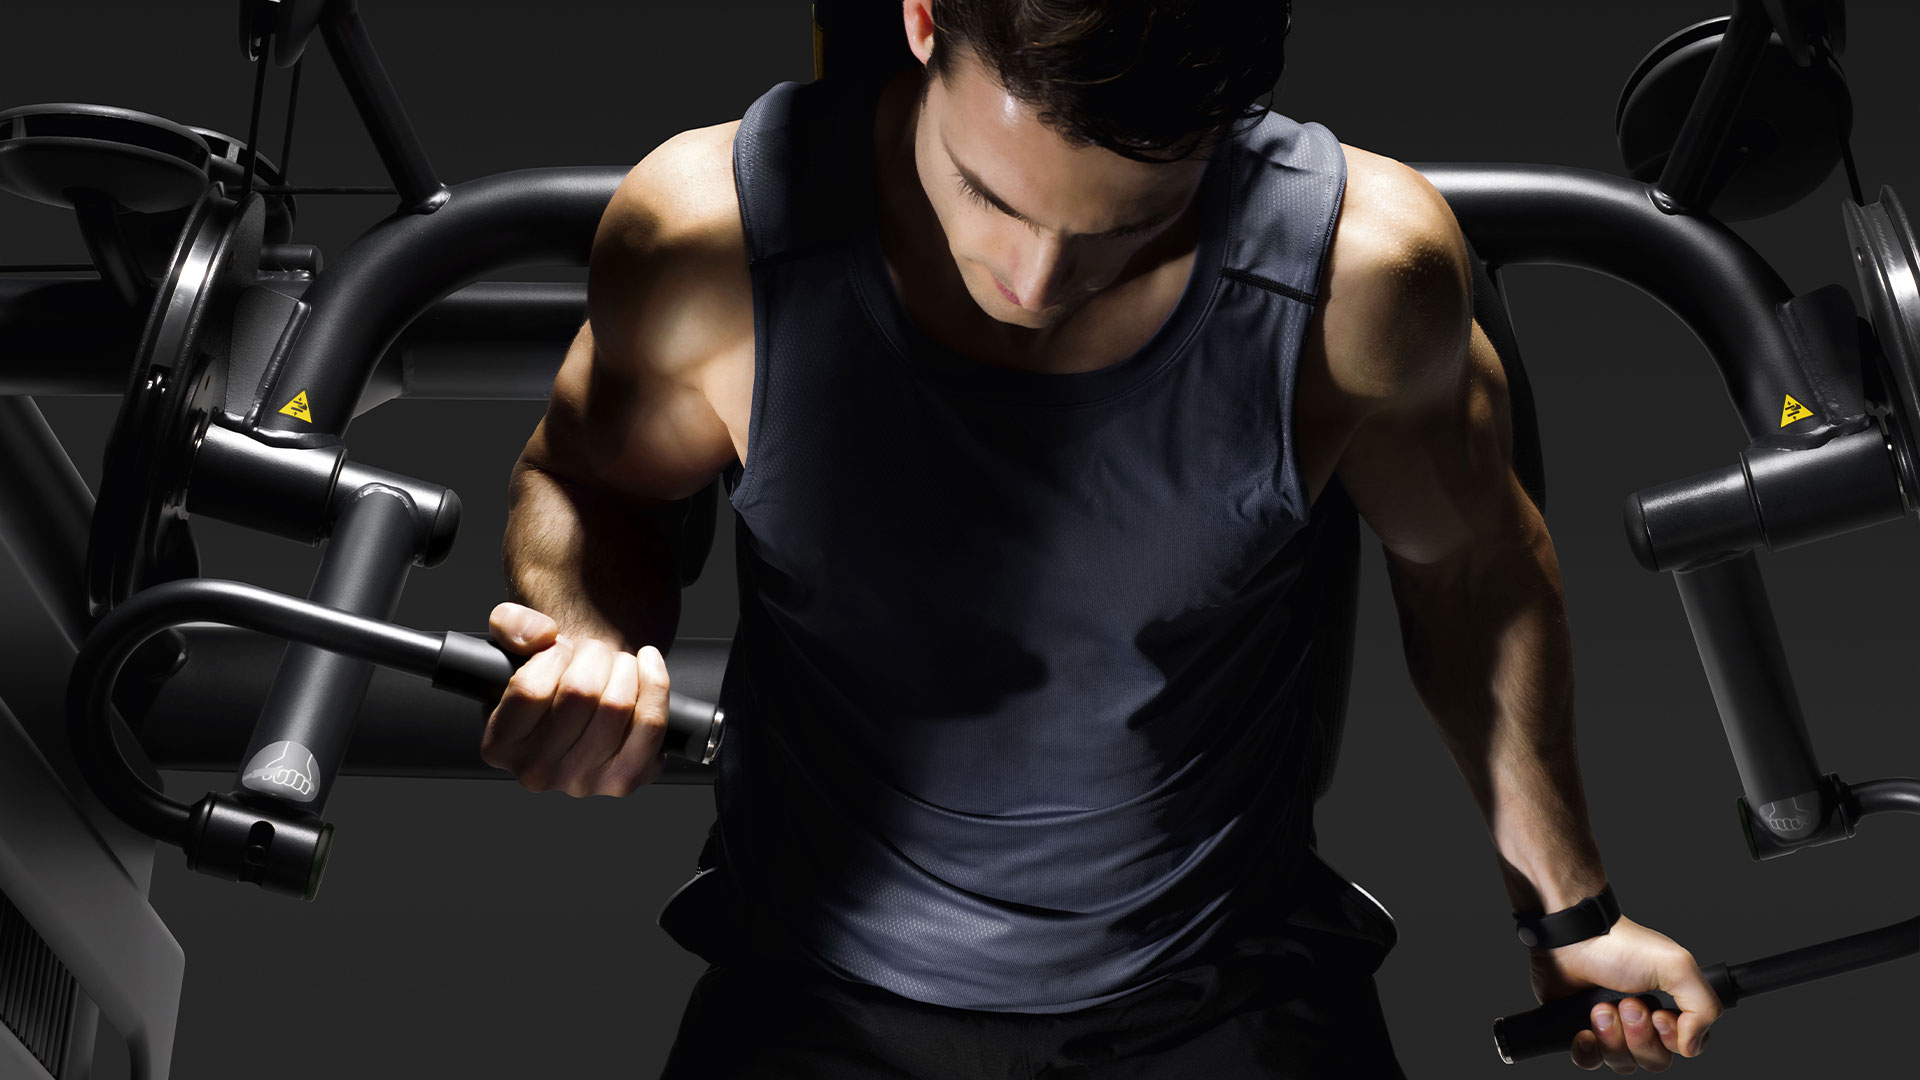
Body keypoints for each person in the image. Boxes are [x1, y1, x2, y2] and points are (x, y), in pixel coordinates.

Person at [483, 1, 1724, 1074]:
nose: (1030, 280)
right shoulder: (715, 241)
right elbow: (587, 482)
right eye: (986, 193)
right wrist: (588, 641)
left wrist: (1571, 916)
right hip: (816, 988)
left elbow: (1472, 571)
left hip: (1222, 986)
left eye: (1126, 229)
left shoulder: (1358, 276)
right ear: (922, 21)